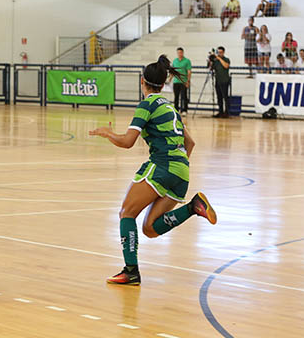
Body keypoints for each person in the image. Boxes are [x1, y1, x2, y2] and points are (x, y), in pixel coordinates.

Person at [87, 55, 217, 285]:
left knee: (127, 213)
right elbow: (190, 143)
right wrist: (177, 167)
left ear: (142, 82)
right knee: (149, 228)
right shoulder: (170, 107)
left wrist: (108, 134)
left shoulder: (147, 105)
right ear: (163, 83)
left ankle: (131, 271)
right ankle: (193, 207)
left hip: (163, 166)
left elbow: (128, 142)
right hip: (182, 171)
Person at [211, 47, 231, 118]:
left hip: (225, 81)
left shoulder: (226, 59)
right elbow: (211, 68)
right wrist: (211, 61)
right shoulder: (216, 61)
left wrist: (219, 59)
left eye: (221, 52)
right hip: (218, 81)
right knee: (219, 97)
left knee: (225, 97)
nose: (219, 54)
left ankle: (227, 112)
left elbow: (226, 66)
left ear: (223, 52)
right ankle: (220, 111)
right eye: (218, 52)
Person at [172, 47, 191, 115]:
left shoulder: (187, 61)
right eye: (178, 53)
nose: (180, 54)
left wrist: (188, 81)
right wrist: (169, 79)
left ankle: (184, 110)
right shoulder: (175, 61)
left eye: (181, 52)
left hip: (183, 81)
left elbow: (189, 71)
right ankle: (176, 109)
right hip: (176, 81)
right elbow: (172, 71)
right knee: (176, 96)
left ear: (183, 53)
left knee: (184, 96)